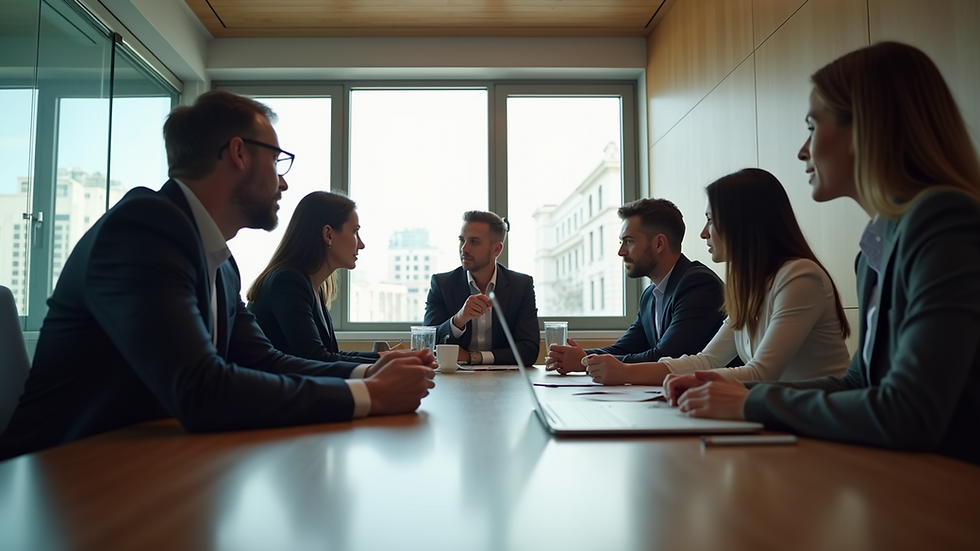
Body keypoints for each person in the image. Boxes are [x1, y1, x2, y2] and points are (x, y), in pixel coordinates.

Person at [0, 91, 435, 460]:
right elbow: (200, 389)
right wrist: (371, 397)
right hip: (52, 477)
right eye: (277, 161)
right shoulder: (142, 229)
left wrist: (368, 374)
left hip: (144, 463)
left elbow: (264, 360)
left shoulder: (220, 263)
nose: (283, 184)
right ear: (238, 152)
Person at [664, 42, 980, 464]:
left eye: (812, 127)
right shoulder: (875, 245)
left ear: (868, 127)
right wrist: (736, 391)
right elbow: (858, 383)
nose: (802, 150)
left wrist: (748, 402)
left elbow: (910, 412)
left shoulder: (942, 220)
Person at [584, 169, 851, 385]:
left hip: (821, 424)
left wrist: (635, 374)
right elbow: (707, 360)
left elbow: (762, 373)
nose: (703, 233)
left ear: (742, 222)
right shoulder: (749, 286)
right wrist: (624, 372)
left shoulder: (800, 277)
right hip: (778, 417)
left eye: (710, 219)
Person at [545, 198, 726, 374]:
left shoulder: (699, 285)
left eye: (629, 241)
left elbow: (666, 357)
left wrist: (585, 362)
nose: (621, 251)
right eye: (621, 242)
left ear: (659, 244)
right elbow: (624, 347)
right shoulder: (650, 295)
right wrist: (580, 356)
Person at [247, 191, 380, 363]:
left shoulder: (314, 286)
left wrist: (386, 358)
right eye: (355, 232)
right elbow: (316, 358)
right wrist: (384, 363)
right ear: (328, 235)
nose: (361, 244)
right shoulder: (288, 282)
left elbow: (329, 355)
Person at [424, 211, 539, 366]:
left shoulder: (521, 285)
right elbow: (427, 343)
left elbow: (529, 351)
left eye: (474, 242)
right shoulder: (442, 284)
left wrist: (474, 357)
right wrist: (459, 319)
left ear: (496, 250)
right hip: (453, 380)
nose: (464, 249)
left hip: (505, 382)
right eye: (462, 240)